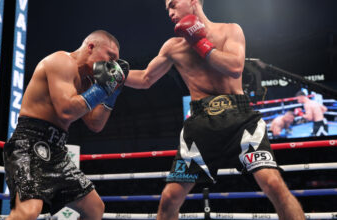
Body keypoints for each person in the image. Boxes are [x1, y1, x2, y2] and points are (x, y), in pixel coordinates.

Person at [125, 0, 305, 219]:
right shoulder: (173, 46)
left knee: (273, 183)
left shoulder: (230, 30)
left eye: (173, 4)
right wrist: (115, 75)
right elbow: (145, 78)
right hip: (200, 124)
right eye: (167, 9)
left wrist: (199, 42)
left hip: (240, 120)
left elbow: (235, 68)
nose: (170, 12)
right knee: (170, 198)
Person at [3, 30, 129, 220]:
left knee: (94, 208)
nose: (111, 64)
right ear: (91, 47)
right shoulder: (61, 61)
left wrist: (111, 94)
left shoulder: (88, 82)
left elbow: (95, 124)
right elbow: (67, 110)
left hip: (57, 150)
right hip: (28, 144)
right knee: (28, 211)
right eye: (110, 56)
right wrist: (103, 88)